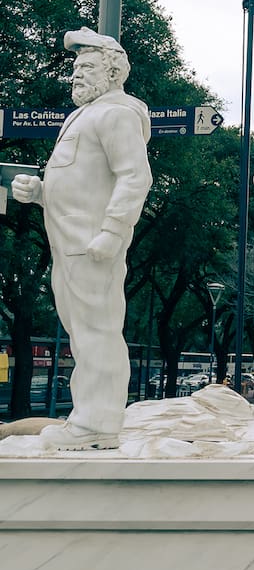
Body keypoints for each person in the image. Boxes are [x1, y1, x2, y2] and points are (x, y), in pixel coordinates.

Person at [12, 28, 152, 450]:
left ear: (112, 73)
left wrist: (112, 233)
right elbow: (83, 181)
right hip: (70, 243)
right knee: (83, 333)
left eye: (87, 67)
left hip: (92, 245)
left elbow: (135, 176)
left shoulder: (116, 114)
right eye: (75, 67)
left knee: (97, 331)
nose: (76, 74)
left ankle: (96, 424)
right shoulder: (84, 115)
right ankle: (89, 418)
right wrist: (38, 192)